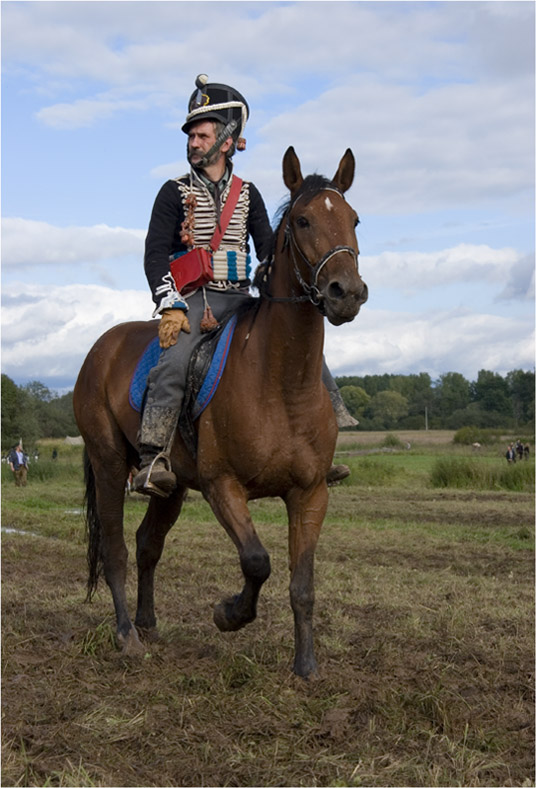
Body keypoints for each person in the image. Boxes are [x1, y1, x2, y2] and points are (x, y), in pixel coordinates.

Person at [133, 74, 355, 497]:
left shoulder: (248, 194)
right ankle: (152, 455)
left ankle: (319, 449)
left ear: (227, 140)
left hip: (241, 297)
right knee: (175, 359)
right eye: (192, 135)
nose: (193, 142)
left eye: (201, 134)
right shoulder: (173, 193)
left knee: (305, 351)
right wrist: (170, 303)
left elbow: (269, 251)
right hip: (195, 300)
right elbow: (154, 255)